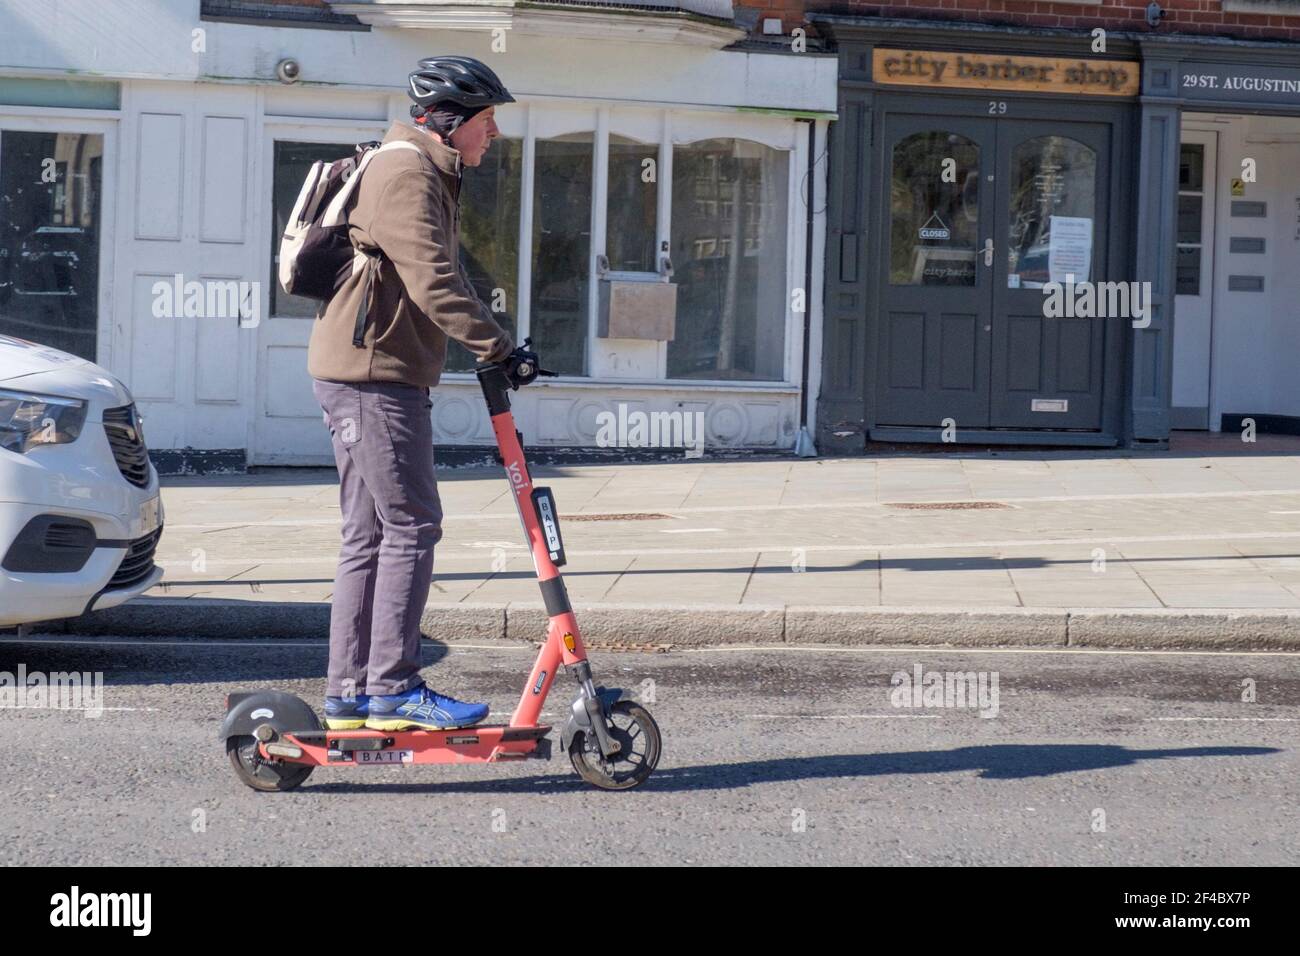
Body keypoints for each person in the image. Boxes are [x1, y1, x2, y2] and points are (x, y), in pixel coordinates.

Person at [306, 56, 518, 732]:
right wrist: (500, 347)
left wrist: (490, 335)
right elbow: (432, 281)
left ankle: (352, 695)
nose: (495, 134)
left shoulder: (420, 168)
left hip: (369, 372)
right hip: (375, 378)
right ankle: (392, 690)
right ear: (451, 123)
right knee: (412, 526)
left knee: (370, 535)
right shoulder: (406, 170)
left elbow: (439, 272)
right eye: (488, 121)